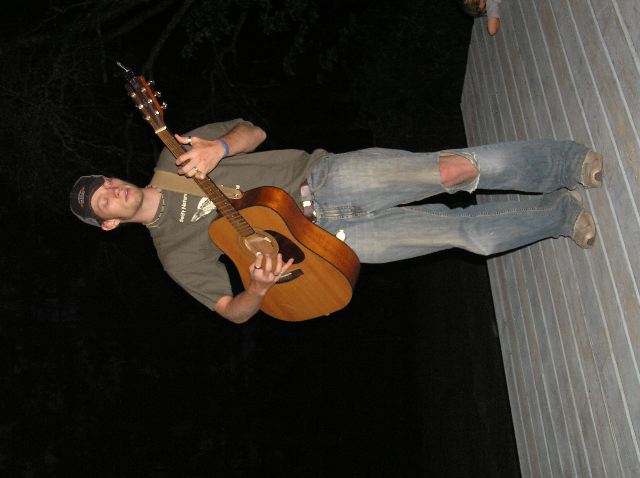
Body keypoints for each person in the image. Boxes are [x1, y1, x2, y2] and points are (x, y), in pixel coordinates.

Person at [70, 118, 603, 323]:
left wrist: (220, 148)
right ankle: (559, 216)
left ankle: (566, 164)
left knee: (451, 170)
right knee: (464, 235)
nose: (112, 192)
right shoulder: (174, 255)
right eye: (103, 204)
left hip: (323, 180)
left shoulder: (176, 155)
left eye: (105, 183)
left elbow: (254, 132)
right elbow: (232, 311)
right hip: (326, 245)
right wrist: (257, 288)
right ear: (109, 225)